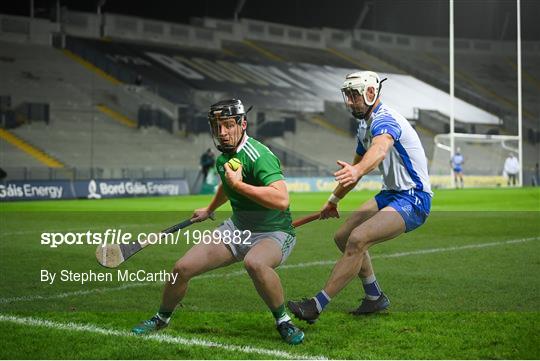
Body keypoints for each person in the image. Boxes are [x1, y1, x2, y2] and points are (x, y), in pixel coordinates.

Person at [132, 99, 304, 345]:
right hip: (237, 229)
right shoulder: (223, 159)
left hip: (274, 232)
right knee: (181, 269)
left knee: (254, 263)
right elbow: (226, 186)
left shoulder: (259, 156)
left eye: (228, 125)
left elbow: (281, 199)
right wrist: (210, 208)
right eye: (216, 127)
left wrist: (239, 185)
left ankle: (283, 321)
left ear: (242, 124)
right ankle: (161, 318)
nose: (222, 133)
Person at [287, 71, 432, 323]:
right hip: (391, 194)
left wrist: (357, 170)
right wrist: (333, 201)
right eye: (348, 95)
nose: (349, 102)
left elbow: (379, 150)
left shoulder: (385, 120)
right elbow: (355, 168)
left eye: (354, 95)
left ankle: (316, 305)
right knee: (342, 237)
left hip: (414, 197)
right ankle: (374, 297)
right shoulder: (364, 125)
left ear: (371, 93)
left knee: (357, 239)